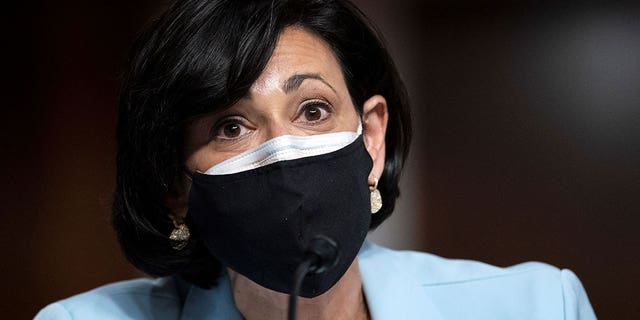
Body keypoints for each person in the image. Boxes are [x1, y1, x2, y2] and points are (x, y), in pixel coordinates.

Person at [35, 0, 597, 319]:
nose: (284, 148)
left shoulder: (538, 306)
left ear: (371, 140)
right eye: (232, 126)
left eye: (312, 111)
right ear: (176, 188)